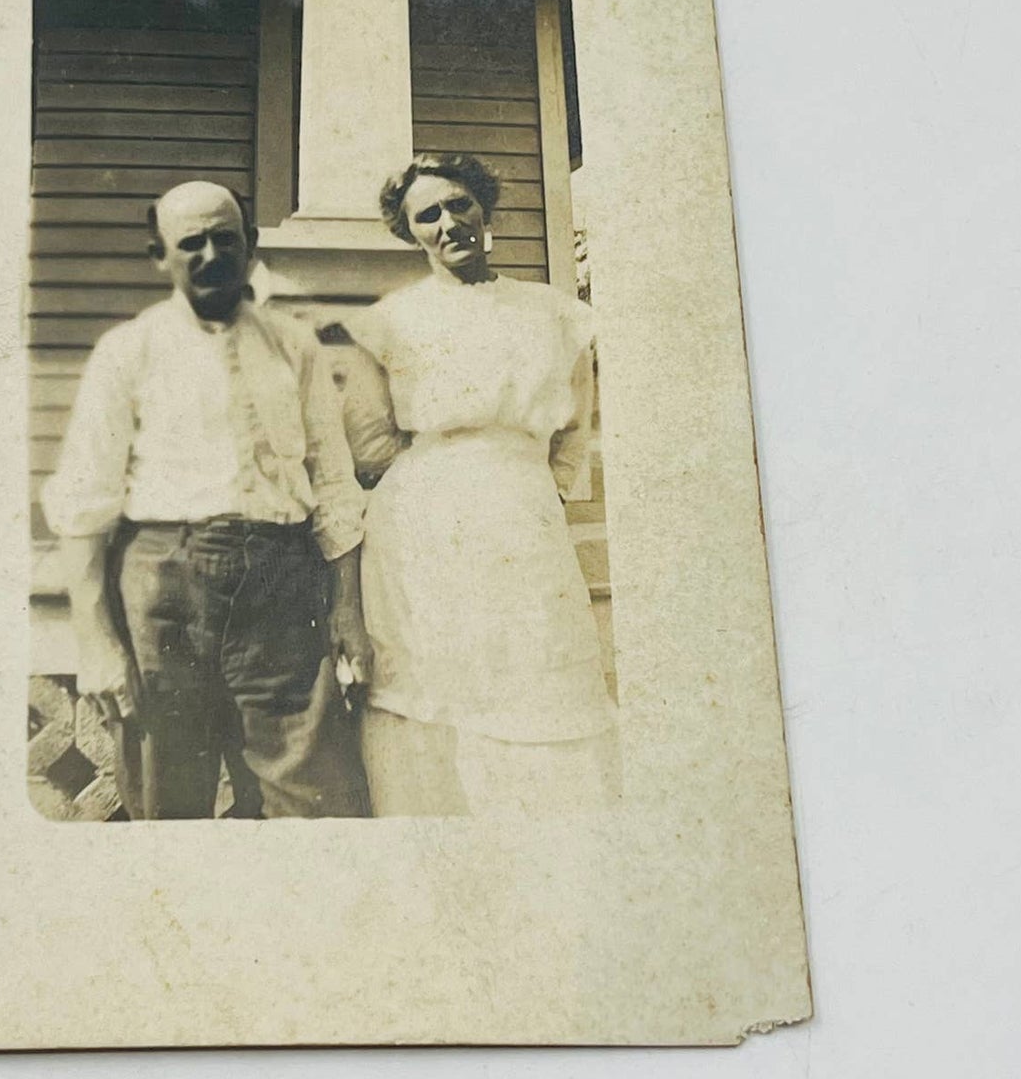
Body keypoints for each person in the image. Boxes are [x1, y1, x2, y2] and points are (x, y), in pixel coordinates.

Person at [41, 180, 373, 820]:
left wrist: (347, 609)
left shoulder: (293, 345)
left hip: (283, 585)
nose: (210, 254)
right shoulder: (128, 352)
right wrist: (95, 641)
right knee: (170, 798)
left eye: (226, 238)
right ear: (158, 255)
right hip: (165, 587)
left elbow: (333, 482)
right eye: (189, 243)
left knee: (312, 802)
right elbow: (86, 499)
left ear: (249, 246)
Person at [343, 153, 619, 816]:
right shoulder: (389, 323)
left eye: (458, 204)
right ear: (410, 232)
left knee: (536, 668)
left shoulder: (554, 314)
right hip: (422, 522)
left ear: (483, 207)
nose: (447, 223)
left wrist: (533, 492)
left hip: (521, 516)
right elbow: (368, 441)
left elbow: (573, 428)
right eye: (427, 215)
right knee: (434, 684)